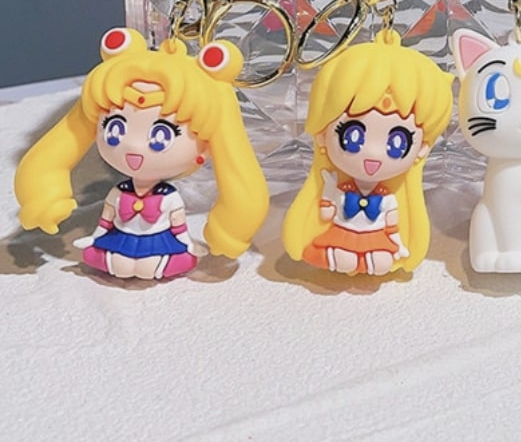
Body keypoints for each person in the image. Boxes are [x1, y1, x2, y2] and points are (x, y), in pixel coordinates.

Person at [14, 27, 269, 279]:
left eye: (161, 136)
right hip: (120, 238)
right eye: (114, 129)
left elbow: (179, 227)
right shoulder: (119, 193)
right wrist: (93, 235)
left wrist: (194, 242)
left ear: (205, 150)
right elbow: (106, 221)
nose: (134, 147)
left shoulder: (168, 198)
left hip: (159, 242)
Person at [282, 30, 453, 276]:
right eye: (352, 138)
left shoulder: (388, 200)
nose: (373, 154)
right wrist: (328, 193)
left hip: (376, 240)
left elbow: (392, 228)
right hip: (341, 234)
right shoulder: (340, 190)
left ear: (422, 149)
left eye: (397, 144)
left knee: (381, 262)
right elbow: (327, 213)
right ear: (322, 134)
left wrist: (399, 246)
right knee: (341, 257)